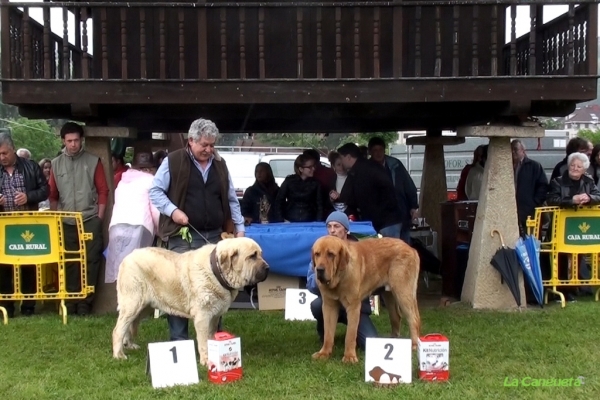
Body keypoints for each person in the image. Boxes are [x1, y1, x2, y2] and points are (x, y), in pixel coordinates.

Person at [149, 118, 245, 341]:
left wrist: (239, 230)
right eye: (204, 145)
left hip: (215, 237)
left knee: (216, 289)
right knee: (177, 288)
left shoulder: (220, 164)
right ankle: (179, 340)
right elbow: (155, 192)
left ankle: (214, 339)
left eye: (212, 145)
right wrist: (173, 211)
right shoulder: (172, 161)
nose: (209, 150)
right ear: (191, 141)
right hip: (181, 237)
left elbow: (232, 199)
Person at [48, 122, 109, 316]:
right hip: (65, 221)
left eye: (76, 140)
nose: (73, 144)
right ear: (63, 141)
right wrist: (56, 218)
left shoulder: (93, 161)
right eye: (69, 141)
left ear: (81, 140)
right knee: (69, 262)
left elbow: (103, 191)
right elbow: (53, 195)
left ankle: (85, 304)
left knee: (90, 261)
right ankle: (71, 303)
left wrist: (99, 218)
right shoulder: (56, 164)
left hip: (89, 218)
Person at [307, 211, 378, 349]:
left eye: (337, 226)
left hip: (356, 307)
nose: (332, 230)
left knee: (371, 342)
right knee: (317, 305)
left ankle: (350, 345)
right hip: (331, 303)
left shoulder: (358, 251)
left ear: (346, 229)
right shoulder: (320, 247)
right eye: (329, 226)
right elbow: (310, 284)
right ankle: (326, 341)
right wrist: (321, 278)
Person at [0, 132, 49, 317]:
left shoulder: (30, 166)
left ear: (13, 150)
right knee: (4, 266)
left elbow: (45, 190)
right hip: (4, 226)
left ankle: (29, 306)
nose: (2, 157)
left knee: (28, 265)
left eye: (5, 153)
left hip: (28, 222)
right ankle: (6, 307)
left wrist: (28, 197)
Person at [547, 152, 600, 302]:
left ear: (584, 170)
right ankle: (563, 290)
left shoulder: (589, 181)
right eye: (572, 165)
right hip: (561, 226)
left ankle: (578, 288)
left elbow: (598, 196)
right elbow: (551, 199)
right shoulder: (558, 181)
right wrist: (572, 200)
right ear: (568, 166)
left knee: (579, 256)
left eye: (579, 166)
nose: (575, 168)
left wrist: (589, 198)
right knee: (562, 257)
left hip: (581, 226)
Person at [105, 152, 160, 283]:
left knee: (120, 269)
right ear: (148, 169)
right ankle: (135, 301)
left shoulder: (122, 182)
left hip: (116, 227)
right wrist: (159, 230)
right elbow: (155, 210)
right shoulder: (150, 180)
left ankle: (120, 300)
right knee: (136, 269)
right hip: (138, 227)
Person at [337, 143, 402, 237]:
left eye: (341, 158)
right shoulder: (369, 166)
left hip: (385, 222)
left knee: (387, 251)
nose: (341, 162)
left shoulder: (361, 171)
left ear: (348, 157)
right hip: (388, 219)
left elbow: (358, 197)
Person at [368, 137, 419, 243]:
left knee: (406, 248)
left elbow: (408, 185)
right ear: (370, 152)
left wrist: (413, 206)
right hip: (385, 219)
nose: (378, 153)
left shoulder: (395, 164)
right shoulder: (368, 168)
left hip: (402, 213)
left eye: (380, 150)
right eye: (375, 150)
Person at [511, 140, 548, 235]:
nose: (513, 152)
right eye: (511, 150)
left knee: (529, 237)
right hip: (511, 208)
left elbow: (543, 186)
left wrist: (534, 202)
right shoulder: (507, 166)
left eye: (515, 149)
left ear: (523, 150)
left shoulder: (534, 166)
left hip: (528, 209)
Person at [274, 154, 323, 222]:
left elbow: (320, 206)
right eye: (310, 167)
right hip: (289, 220)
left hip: (310, 221)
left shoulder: (316, 183)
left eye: (314, 166)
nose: (313, 169)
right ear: (301, 169)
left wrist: (318, 222)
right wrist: (281, 220)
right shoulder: (289, 181)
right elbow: (279, 201)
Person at [326, 151, 355, 216]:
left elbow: (356, 200)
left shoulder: (353, 179)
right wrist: (331, 199)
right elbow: (325, 202)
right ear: (333, 166)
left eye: (343, 164)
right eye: (338, 165)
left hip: (350, 214)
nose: (341, 167)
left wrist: (341, 197)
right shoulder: (330, 180)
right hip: (334, 214)